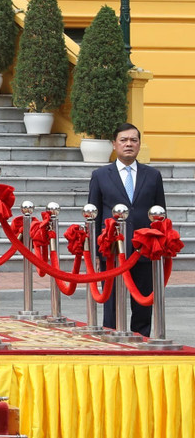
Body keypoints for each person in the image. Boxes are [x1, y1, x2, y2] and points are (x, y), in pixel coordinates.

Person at [88, 123, 166, 337]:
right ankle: (111, 336)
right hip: (112, 249)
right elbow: (93, 216)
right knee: (111, 300)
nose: (129, 144)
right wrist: (96, 251)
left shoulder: (152, 175)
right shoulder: (101, 175)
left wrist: (161, 245)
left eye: (133, 140)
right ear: (114, 144)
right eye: (124, 140)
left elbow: (161, 214)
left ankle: (142, 337)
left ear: (139, 145)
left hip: (144, 249)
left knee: (143, 301)